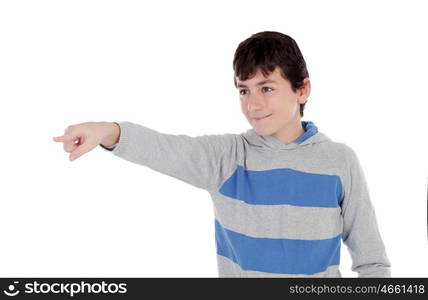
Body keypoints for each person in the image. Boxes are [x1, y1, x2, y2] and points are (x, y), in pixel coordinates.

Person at [53, 31, 391, 277]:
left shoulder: (339, 161)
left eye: (267, 88)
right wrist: (108, 131)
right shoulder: (227, 157)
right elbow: (165, 149)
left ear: (302, 89)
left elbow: (371, 260)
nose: (252, 104)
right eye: (244, 90)